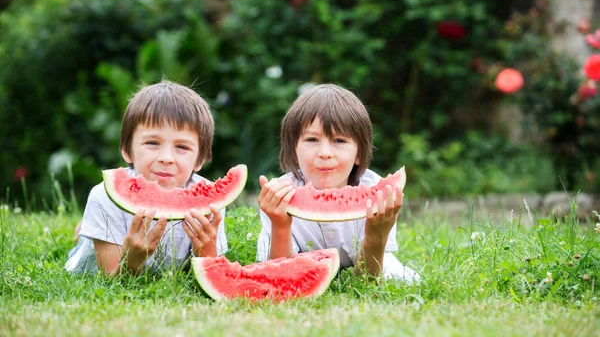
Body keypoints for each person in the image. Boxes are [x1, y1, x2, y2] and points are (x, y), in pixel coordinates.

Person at [256, 84, 419, 281]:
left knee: (401, 277)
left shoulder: (378, 194)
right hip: (299, 265)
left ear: (359, 153)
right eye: (312, 140)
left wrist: (376, 235)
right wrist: (280, 225)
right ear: (293, 150)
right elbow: (280, 276)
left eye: (339, 141)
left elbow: (367, 281)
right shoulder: (279, 195)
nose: (325, 153)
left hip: (369, 259)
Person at [65, 80, 227, 276]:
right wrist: (132, 260)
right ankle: (88, 236)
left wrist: (207, 250)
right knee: (92, 237)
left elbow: (210, 272)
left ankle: (88, 227)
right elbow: (111, 283)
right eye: (152, 143)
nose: (166, 158)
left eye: (182, 147)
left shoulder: (210, 206)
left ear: (199, 159)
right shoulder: (104, 197)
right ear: (127, 151)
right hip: (98, 261)